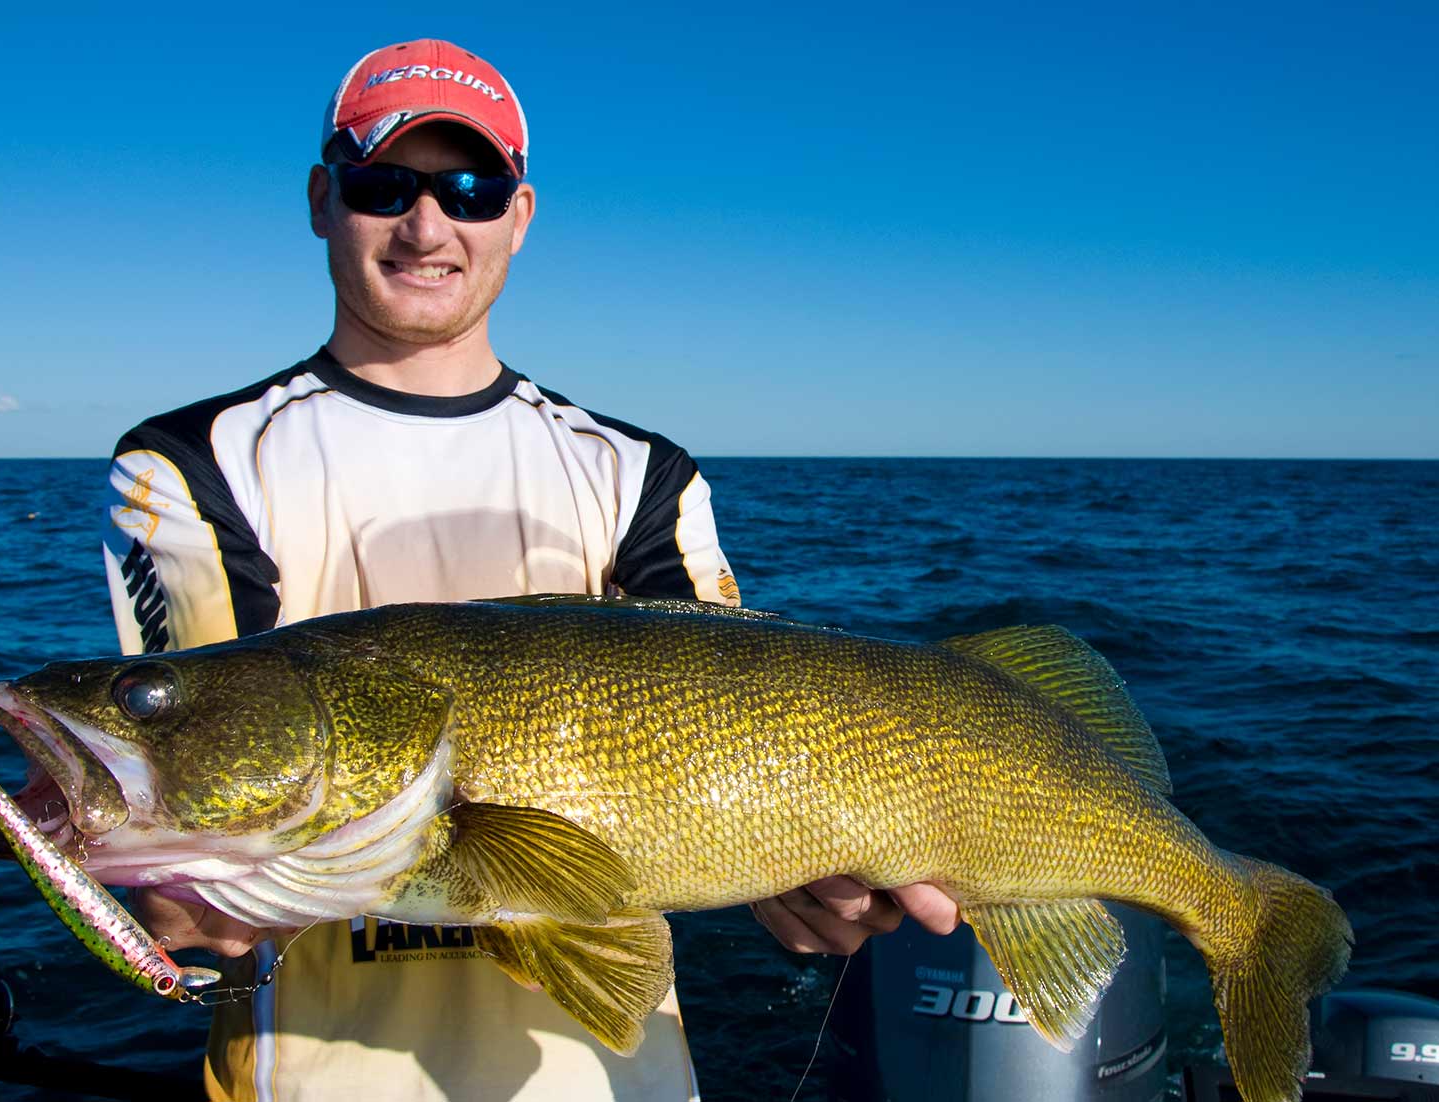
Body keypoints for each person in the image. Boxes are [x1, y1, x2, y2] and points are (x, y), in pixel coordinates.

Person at [100, 38, 958, 1102]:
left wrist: (804, 882)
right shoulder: (194, 462)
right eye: (383, 185)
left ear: (520, 213)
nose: (427, 225)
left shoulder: (640, 471)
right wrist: (176, 879)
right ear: (323, 199)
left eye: (471, 188)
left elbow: (727, 751)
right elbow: (199, 768)